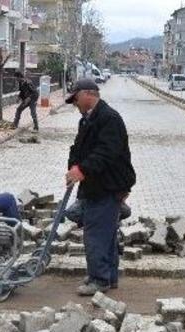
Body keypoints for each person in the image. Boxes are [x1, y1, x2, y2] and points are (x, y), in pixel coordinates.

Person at [64, 78, 136, 296]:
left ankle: (99, 279)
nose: (75, 104)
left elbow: (106, 153)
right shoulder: (89, 119)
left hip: (106, 186)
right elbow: (80, 148)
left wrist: (82, 170)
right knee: (106, 235)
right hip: (96, 185)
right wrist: (73, 167)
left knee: (96, 234)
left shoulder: (108, 118)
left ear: (88, 95)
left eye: (75, 99)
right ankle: (108, 276)